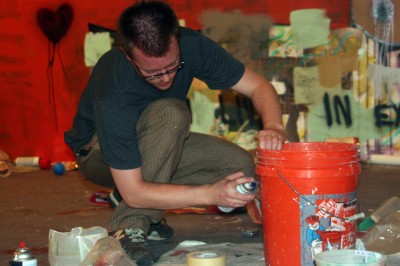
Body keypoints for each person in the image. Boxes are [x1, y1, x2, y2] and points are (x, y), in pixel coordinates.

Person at [65, 1, 286, 265]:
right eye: (151, 73)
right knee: (172, 112)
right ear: (127, 54)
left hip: (155, 144)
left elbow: (259, 87)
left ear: (178, 38)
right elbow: (135, 193)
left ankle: (136, 203)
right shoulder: (115, 89)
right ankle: (129, 225)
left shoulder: (192, 45)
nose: (166, 78)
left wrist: (274, 126)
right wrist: (210, 194)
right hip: (98, 154)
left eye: (172, 66)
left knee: (238, 167)